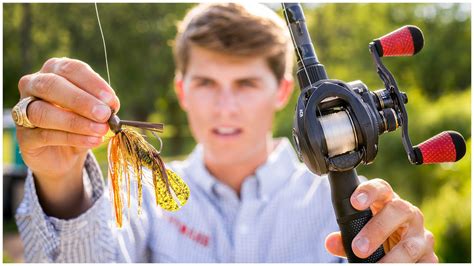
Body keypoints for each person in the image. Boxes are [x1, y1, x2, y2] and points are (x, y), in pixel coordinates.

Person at [13, 3, 437, 263]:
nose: (225, 106)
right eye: (206, 83)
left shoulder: (356, 208)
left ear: (284, 91)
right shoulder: (142, 194)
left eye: (246, 84)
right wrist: (59, 180)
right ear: (182, 90)